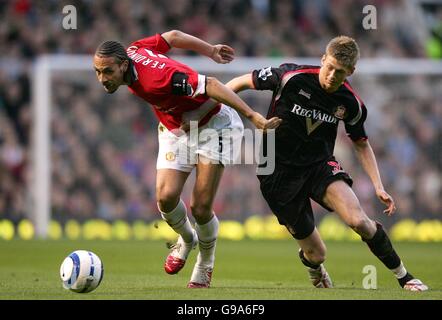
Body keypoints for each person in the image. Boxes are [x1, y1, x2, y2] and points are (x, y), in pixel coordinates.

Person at [226, 36, 428, 291]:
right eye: (330, 67)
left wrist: (378, 186)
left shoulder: (351, 103)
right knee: (317, 254)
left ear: (351, 72)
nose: (332, 75)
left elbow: (361, 143)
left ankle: (405, 277)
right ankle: (313, 265)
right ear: (323, 59)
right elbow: (238, 83)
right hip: (275, 170)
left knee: (359, 221)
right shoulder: (290, 76)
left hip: (319, 166)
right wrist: (239, 112)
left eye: (340, 72)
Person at [93, 30, 281, 288]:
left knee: (200, 207)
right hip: (178, 128)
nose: (102, 79)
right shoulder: (134, 49)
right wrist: (210, 49)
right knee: (165, 197)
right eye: (98, 72)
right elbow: (172, 36)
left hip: (215, 126)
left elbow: (212, 85)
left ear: (123, 65)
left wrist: (253, 116)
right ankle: (187, 238)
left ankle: (205, 261)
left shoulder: (158, 79)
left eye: (107, 72)